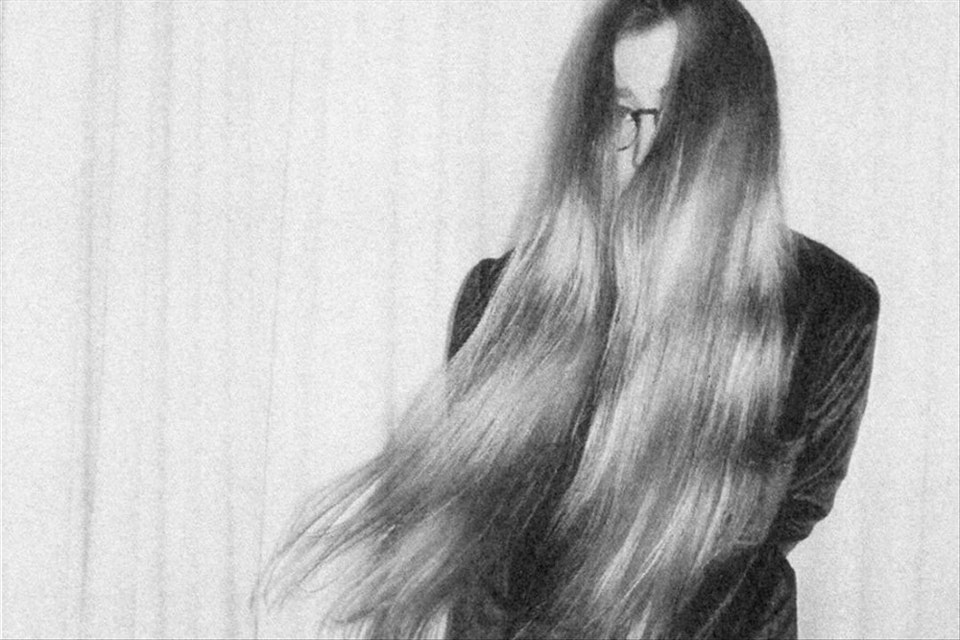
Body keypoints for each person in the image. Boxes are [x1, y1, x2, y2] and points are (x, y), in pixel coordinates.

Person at [256, 0, 880, 638]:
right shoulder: (501, 302)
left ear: (736, 132)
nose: (641, 149)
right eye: (619, 110)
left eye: (674, 116)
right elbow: (485, 578)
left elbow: (787, 522)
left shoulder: (828, 309)